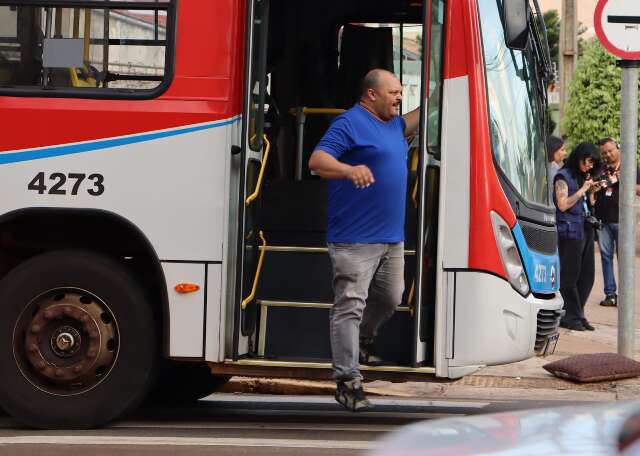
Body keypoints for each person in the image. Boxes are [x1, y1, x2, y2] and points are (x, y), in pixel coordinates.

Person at [308, 69, 419, 411]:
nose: (400, 97)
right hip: (354, 240)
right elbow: (316, 160)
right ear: (371, 95)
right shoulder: (349, 123)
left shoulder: (395, 125)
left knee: (390, 298)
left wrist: (443, 91)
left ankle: (365, 339)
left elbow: (421, 115)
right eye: (394, 92)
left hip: (391, 239)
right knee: (350, 305)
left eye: (401, 92)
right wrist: (347, 170)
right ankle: (347, 380)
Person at [553, 142, 602, 331]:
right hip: (569, 230)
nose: (589, 166)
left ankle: (578, 313)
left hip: (585, 228)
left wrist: (590, 193)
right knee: (569, 276)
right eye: (588, 161)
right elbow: (563, 205)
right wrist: (582, 190)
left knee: (587, 276)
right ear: (580, 157)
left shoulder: (583, 177)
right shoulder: (563, 177)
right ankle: (570, 316)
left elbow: (586, 205)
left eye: (593, 164)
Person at [593, 138, 640, 307]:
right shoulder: (600, 167)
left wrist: (625, 182)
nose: (608, 154)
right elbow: (594, 188)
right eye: (604, 152)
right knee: (606, 257)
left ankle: (625, 296)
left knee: (624, 258)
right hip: (603, 220)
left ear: (618, 148)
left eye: (610, 151)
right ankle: (610, 294)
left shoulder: (630, 166)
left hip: (623, 221)